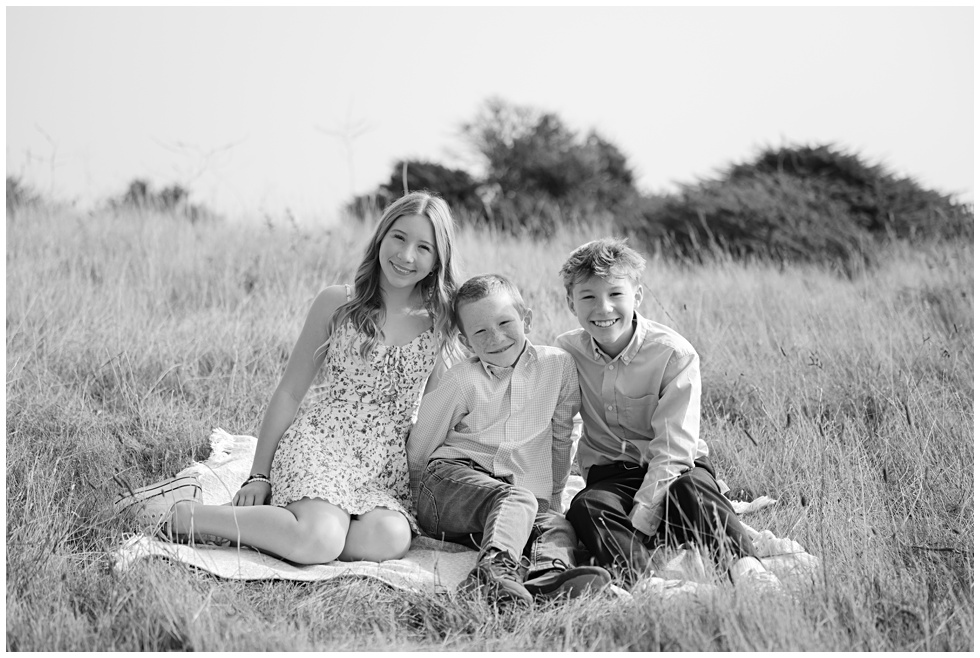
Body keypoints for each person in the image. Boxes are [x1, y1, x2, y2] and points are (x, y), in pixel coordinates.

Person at [115, 191, 461, 564]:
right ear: (381, 237)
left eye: (423, 247)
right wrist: (258, 474)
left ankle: (278, 529)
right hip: (322, 444)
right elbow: (290, 392)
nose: (406, 255)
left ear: (437, 260)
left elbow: (436, 416)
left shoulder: (440, 325)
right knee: (319, 541)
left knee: (390, 539)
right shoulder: (338, 304)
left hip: (383, 467)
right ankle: (188, 516)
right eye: (399, 237)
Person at [555, 238, 780, 590]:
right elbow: (561, 426)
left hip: (677, 471)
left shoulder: (674, 354)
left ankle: (746, 568)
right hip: (610, 475)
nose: (603, 308)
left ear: (637, 296)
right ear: (571, 302)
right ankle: (649, 584)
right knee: (586, 506)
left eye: (616, 294)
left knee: (693, 491)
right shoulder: (565, 352)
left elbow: (675, 449)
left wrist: (643, 516)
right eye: (588, 297)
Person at [407, 274, 611, 606]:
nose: (496, 337)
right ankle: (490, 576)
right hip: (449, 485)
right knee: (517, 500)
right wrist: (414, 505)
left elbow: (563, 437)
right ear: (465, 341)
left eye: (505, 322)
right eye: (480, 332)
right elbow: (422, 442)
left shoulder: (557, 366)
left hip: (506, 502)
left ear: (526, 319)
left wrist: (555, 496)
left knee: (555, 525)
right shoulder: (462, 380)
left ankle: (547, 579)